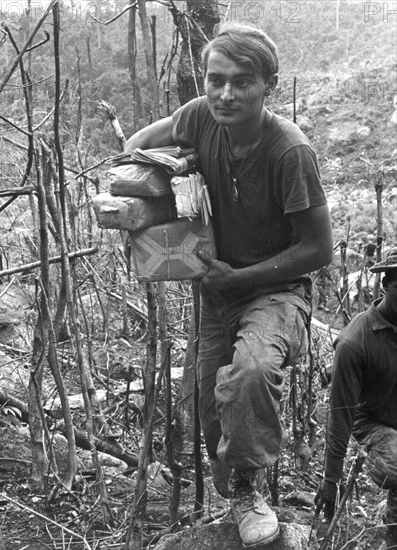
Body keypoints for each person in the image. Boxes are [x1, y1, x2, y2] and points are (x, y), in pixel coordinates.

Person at [124, 23, 333, 549]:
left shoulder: (290, 153)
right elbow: (139, 144)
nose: (225, 94)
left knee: (252, 372)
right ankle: (234, 478)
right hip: (214, 291)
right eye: (216, 80)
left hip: (277, 288)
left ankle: (248, 491)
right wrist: (168, 172)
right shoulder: (199, 115)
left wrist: (241, 276)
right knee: (212, 411)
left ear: (270, 85)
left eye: (242, 82)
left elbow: (318, 250)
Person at [315, 247, 397, 549]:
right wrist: (331, 478)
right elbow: (341, 412)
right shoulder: (354, 341)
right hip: (373, 421)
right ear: (387, 285)